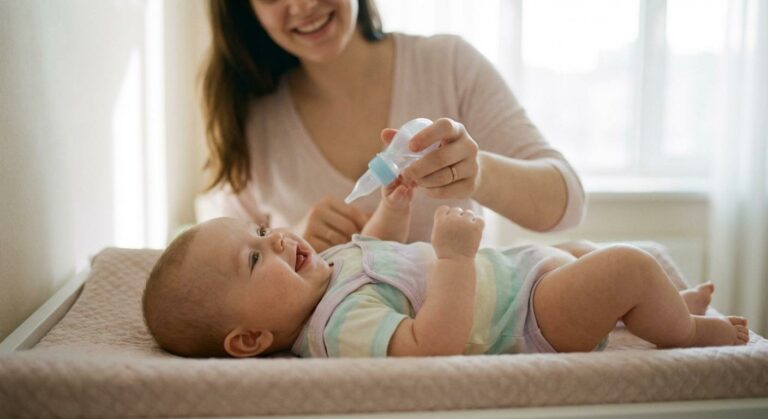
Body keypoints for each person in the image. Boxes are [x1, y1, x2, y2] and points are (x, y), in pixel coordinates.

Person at [143, 179, 749, 358]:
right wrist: (455, 257)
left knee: (586, 252)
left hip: (519, 273)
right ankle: (690, 333)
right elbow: (434, 344)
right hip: (528, 317)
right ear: (249, 339)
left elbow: (373, 251)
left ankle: (661, 312)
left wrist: (393, 207)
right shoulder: (334, 327)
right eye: (254, 257)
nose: (275, 237)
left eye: (259, 232)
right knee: (625, 267)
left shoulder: (323, 273)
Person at [197, 0, 587, 253]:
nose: (302, 5)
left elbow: (566, 205)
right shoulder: (251, 123)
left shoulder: (447, 66)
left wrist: (478, 173)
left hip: (457, 351)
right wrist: (290, 240)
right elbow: (220, 271)